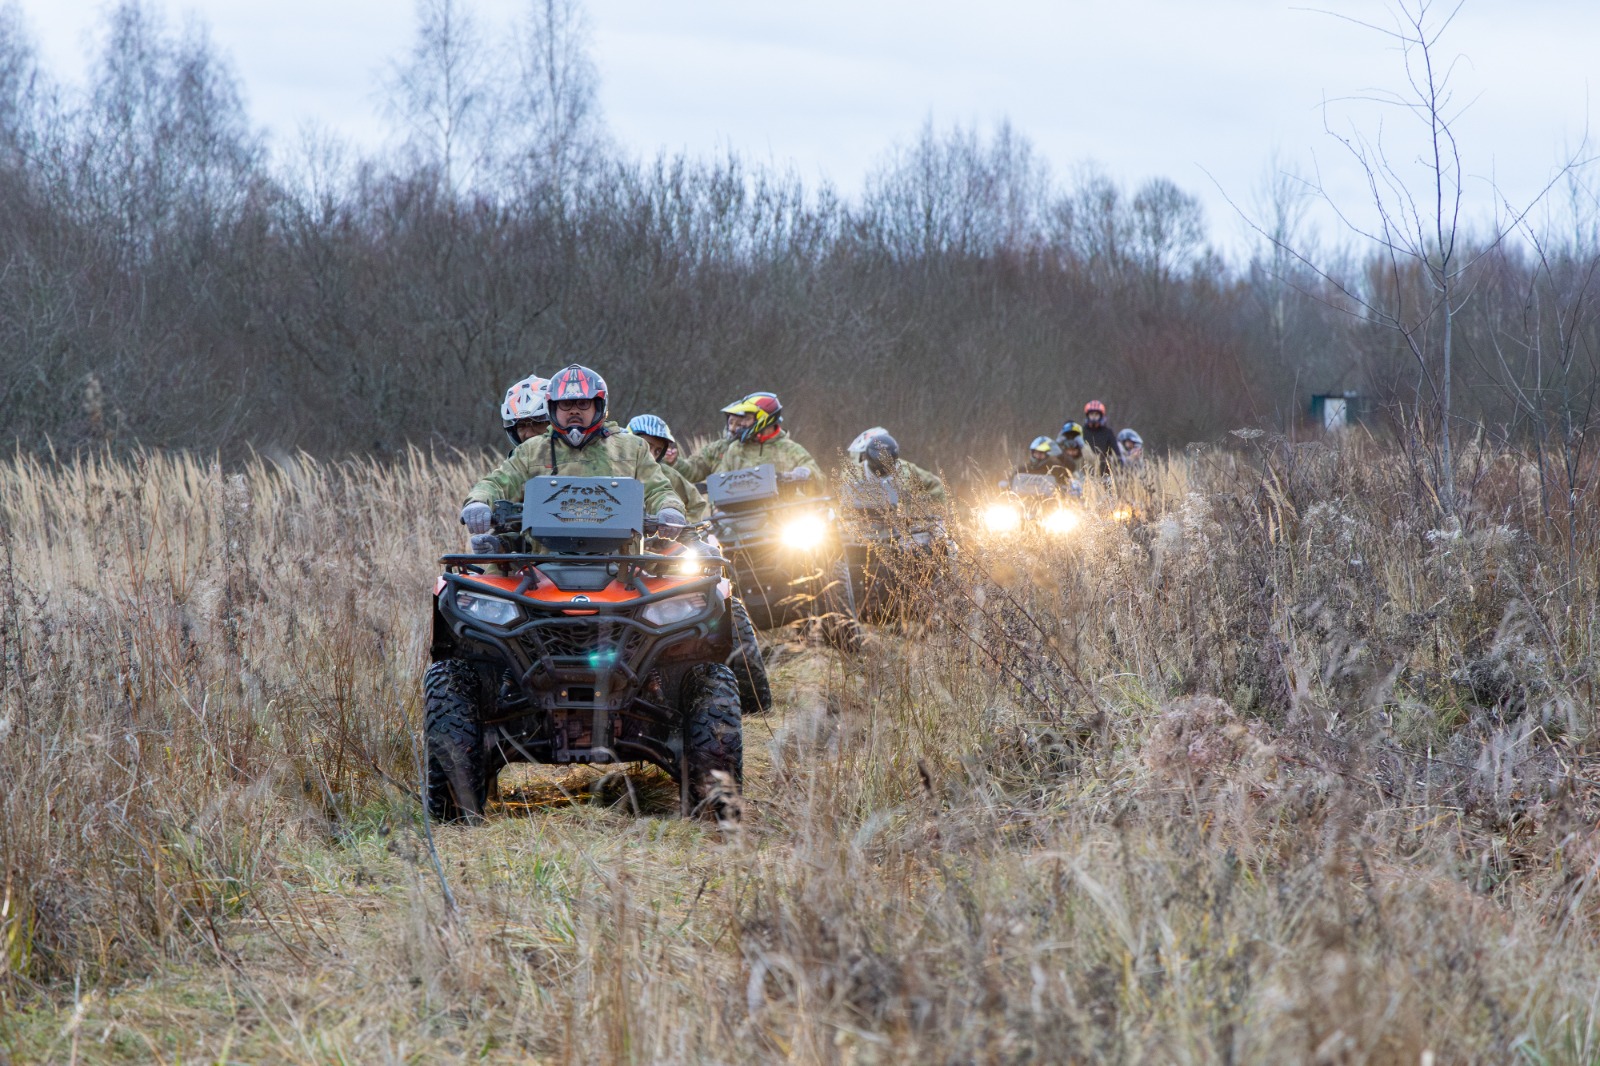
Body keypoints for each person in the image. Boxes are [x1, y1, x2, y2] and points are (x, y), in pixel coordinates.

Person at [461, 364, 685, 552]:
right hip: (541, 570)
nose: (574, 411)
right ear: (553, 409)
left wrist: (670, 509)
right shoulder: (530, 451)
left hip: (622, 568)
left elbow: (659, 490)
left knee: (691, 590)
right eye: (566, 404)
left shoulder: (632, 448)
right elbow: (497, 482)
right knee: (478, 589)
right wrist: (479, 502)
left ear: (599, 406)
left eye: (583, 403)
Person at [674, 392, 825, 488]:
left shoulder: (790, 449)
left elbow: (819, 482)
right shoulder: (735, 449)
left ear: (764, 419)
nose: (742, 424)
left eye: (746, 419)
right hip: (738, 520)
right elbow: (722, 486)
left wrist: (806, 473)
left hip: (782, 521)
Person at [627, 414, 709, 523]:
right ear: (627, 442)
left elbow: (696, 503)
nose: (651, 455)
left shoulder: (667, 475)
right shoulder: (611, 466)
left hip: (652, 538)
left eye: (657, 451)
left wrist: (679, 529)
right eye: (646, 446)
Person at [846, 429, 947, 503]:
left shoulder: (907, 470)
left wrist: (922, 502)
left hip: (903, 526)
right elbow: (839, 498)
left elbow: (936, 486)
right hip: (861, 525)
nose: (881, 470)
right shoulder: (853, 472)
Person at [500, 374, 550, 450]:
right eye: (521, 426)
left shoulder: (573, 458)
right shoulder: (514, 461)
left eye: (538, 423)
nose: (529, 434)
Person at [1080, 400, 1121, 474]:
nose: (1093, 417)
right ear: (1088, 415)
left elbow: (1117, 454)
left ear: (1101, 416)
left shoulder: (1108, 432)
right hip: (1085, 468)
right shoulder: (1082, 431)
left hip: (1104, 469)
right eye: (1091, 414)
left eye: (1096, 414)